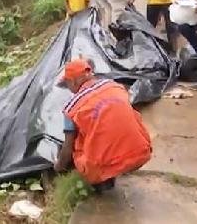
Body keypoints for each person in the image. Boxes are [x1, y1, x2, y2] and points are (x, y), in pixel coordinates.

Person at [53, 59, 152, 193]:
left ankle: (102, 181)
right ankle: (123, 162)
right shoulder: (115, 86)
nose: (69, 88)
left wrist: (59, 166)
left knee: (77, 144)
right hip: (140, 153)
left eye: (68, 84)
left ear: (73, 81)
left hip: (104, 167)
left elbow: (68, 148)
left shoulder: (72, 108)